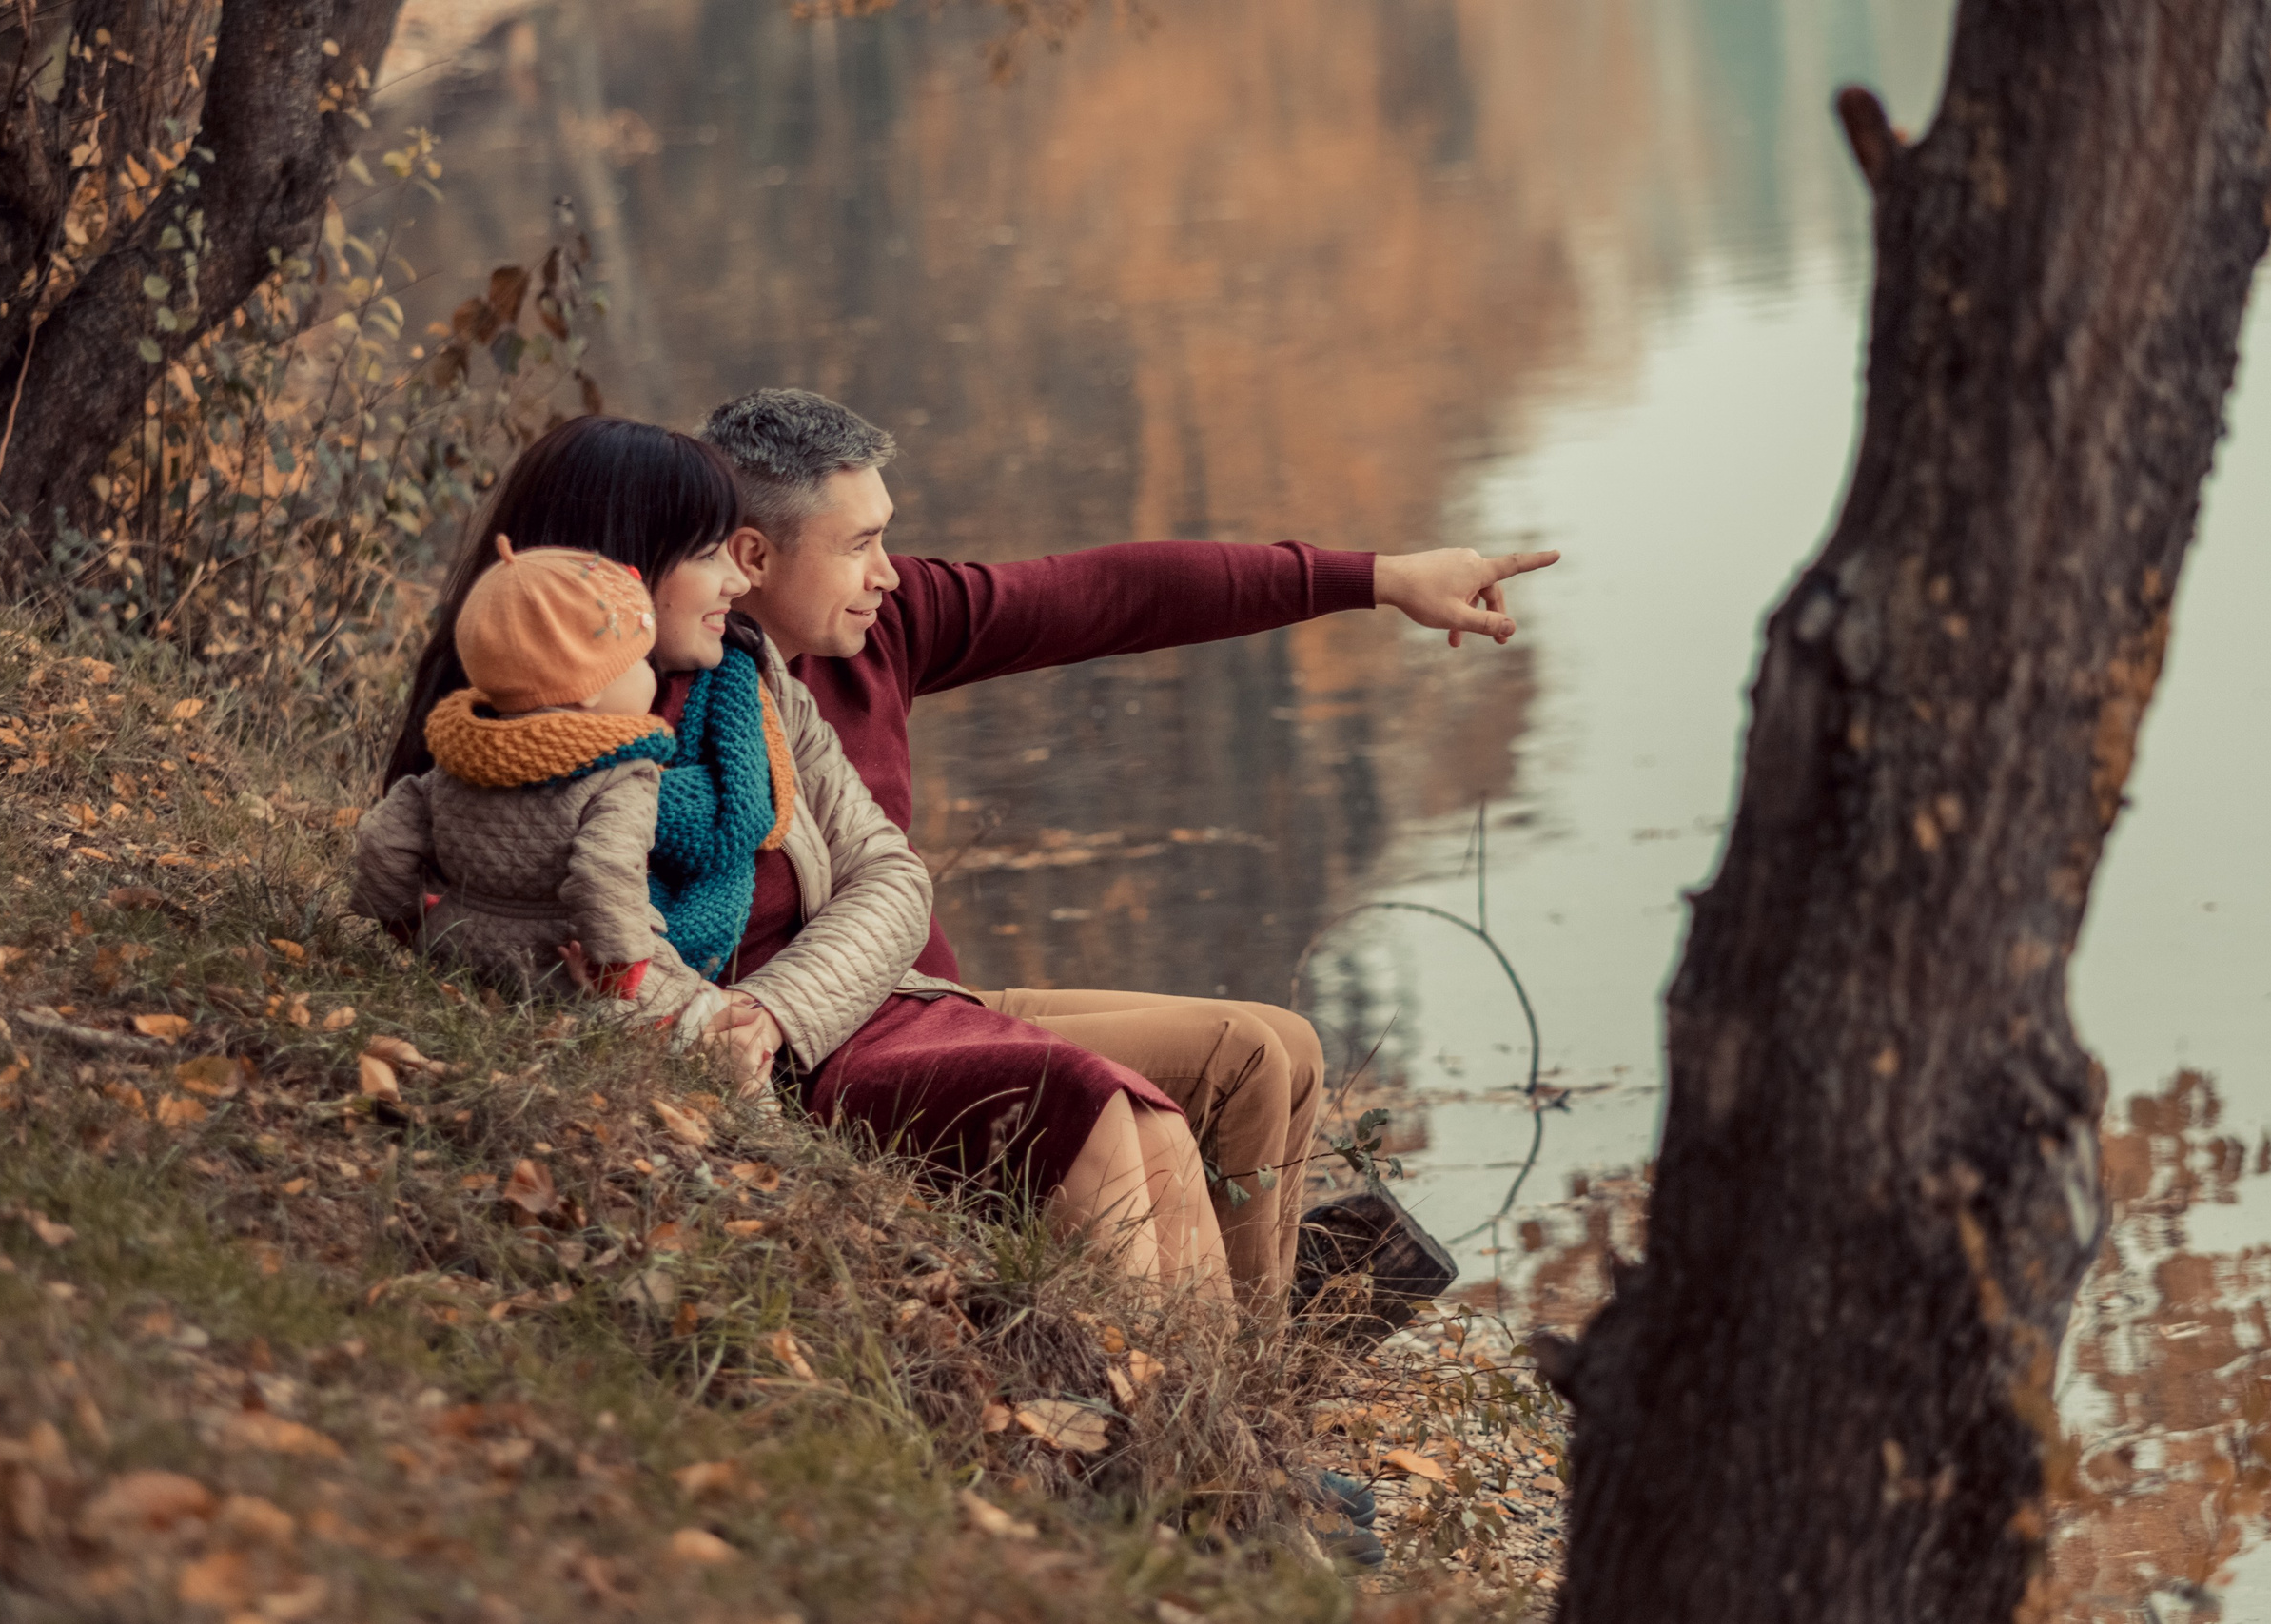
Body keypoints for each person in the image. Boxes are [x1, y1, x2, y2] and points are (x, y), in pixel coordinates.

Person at [696, 388, 1560, 1319]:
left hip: (927, 1001)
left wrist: (1379, 577)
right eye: (857, 545)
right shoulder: (672, 679)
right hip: (829, 1040)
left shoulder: (883, 628)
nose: (889, 574)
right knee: (1240, 1062)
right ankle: (1244, 1379)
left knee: (1295, 1046)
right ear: (752, 555)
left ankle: (1249, 1337)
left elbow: (1116, 592)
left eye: (883, 540)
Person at [378, 416, 1230, 1300]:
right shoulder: (525, 753)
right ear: (614, 575)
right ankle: (1128, 1410)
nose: (739, 578)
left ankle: (1217, 1422)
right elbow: (586, 948)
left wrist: (774, 1006)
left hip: (822, 1013)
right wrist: (733, 1027)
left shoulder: (745, 680)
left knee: (1155, 1127)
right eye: (710, 554)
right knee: (1089, 1103)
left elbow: (893, 874)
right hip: (771, 1064)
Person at [351, 537, 743, 1055]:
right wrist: (618, 971)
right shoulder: (619, 776)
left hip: (454, 946)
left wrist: (405, 922)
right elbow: (606, 870)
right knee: (716, 1016)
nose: (653, 675)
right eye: (641, 662)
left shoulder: (456, 763)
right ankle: (762, 1117)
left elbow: (382, 841)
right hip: (560, 965)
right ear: (589, 689)